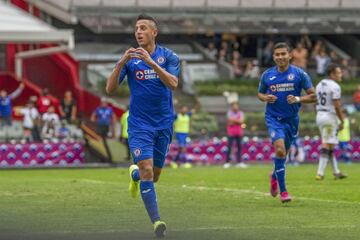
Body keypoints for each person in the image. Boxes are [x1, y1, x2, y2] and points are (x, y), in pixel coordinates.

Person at [105, 14, 179, 238]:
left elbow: (173, 83)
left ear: (154, 32)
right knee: (148, 169)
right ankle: (157, 222)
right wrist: (121, 61)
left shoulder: (169, 56)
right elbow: (109, 89)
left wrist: (151, 63)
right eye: (136, 28)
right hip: (139, 124)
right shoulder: (130, 59)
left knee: (153, 176)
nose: (138, 32)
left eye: (143, 28)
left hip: (164, 123)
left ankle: (135, 175)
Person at [258, 42, 316, 203]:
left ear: (290, 55)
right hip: (273, 119)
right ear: (274, 57)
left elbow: (314, 96)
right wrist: (265, 98)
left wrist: (298, 98)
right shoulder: (267, 75)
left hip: (292, 120)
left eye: (283, 54)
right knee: (281, 150)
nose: (280, 57)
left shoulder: (299, 74)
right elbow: (260, 94)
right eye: (277, 54)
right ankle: (284, 192)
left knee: (283, 155)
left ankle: (274, 175)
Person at [315, 63, 348, 180]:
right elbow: (337, 105)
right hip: (329, 116)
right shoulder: (335, 86)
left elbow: (315, 100)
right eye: (338, 72)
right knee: (327, 144)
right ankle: (320, 173)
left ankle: (336, 172)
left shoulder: (319, 84)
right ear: (332, 74)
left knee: (330, 145)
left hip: (319, 115)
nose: (341, 74)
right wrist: (342, 120)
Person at [223, 101, 246, 168]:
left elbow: (241, 121)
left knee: (239, 148)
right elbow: (229, 122)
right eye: (234, 106)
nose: (235, 107)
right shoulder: (229, 113)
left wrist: (234, 121)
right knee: (229, 148)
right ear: (232, 107)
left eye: (236, 106)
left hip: (239, 133)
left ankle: (239, 162)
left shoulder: (241, 113)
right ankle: (227, 162)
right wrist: (238, 121)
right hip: (231, 133)